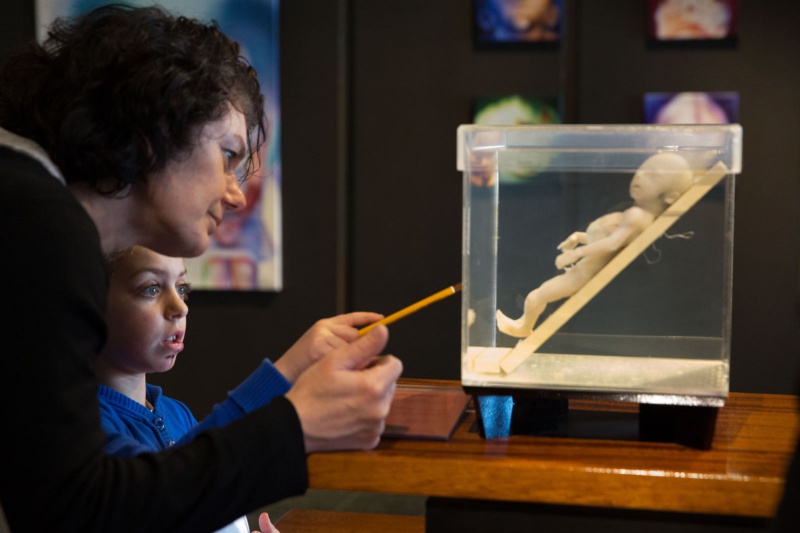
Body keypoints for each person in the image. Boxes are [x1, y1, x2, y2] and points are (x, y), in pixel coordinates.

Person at [0, 5, 402, 532]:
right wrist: (296, 429)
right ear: (156, 125)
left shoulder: (32, 208)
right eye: (228, 154)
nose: (236, 194)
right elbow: (76, 509)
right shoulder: (39, 222)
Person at [98, 246, 382, 532]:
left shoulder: (177, 413)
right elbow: (167, 494)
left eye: (182, 286)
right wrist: (288, 370)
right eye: (151, 289)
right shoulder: (87, 433)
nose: (181, 306)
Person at [495, 152, 694, 338]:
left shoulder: (636, 216)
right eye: (640, 169)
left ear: (671, 197)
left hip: (581, 275)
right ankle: (524, 324)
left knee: (534, 297)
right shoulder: (635, 213)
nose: (640, 176)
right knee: (540, 296)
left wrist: (575, 253)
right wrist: (578, 238)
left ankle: (523, 328)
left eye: (653, 176)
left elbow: (612, 244)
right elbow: (605, 239)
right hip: (579, 270)